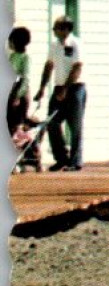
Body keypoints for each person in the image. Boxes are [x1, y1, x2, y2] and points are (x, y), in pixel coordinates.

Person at [35, 16, 85, 172]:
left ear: (65, 29)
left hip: (75, 87)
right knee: (52, 121)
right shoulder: (54, 45)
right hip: (58, 86)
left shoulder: (76, 44)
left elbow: (77, 67)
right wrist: (42, 88)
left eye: (56, 28)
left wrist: (66, 88)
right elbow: (49, 66)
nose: (53, 31)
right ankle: (61, 157)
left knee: (75, 125)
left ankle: (75, 161)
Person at [8, 27, 37, 169]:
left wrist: (18, 96)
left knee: (17, 127)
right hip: (10, 94)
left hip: (20, 95)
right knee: (9, 128)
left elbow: (25, 79)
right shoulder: (12, 56)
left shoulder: (25, 58)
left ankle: (27, 155)